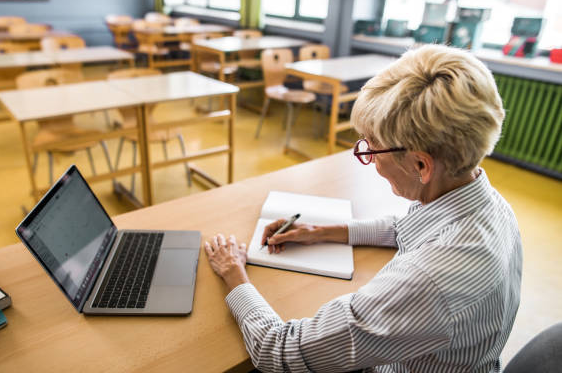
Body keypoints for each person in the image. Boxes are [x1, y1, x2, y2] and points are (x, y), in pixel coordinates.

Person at [204, 44, 522, 372]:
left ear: (421, 166)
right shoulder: (487, 204)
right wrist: (320, 231)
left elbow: (279, 350)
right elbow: (406, 228)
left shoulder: (431, 281)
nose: (369, 159)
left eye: (371, 147)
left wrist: (233, 273)